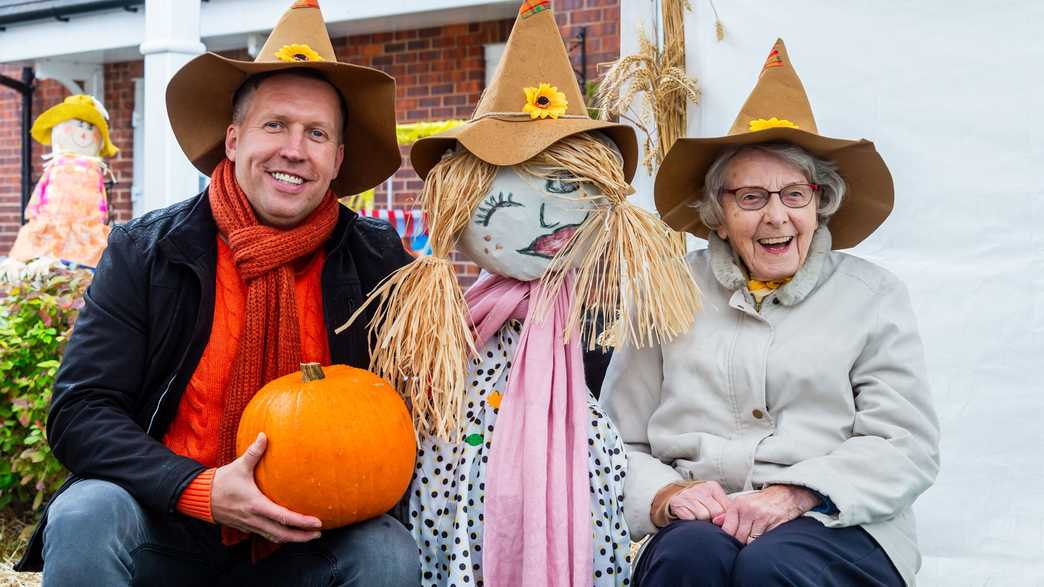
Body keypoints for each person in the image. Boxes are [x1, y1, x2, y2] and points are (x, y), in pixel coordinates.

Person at [15, 2, 419, 585]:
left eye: (317, 133)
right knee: (86, 513)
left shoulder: (377, 260)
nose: (294, 149)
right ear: (233, 140)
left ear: (337, 159)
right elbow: (81, 411)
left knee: (385, 549)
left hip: (308, 540)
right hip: (166, 523)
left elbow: (417, 404)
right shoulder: (148, 250)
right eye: (274, 125)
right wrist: (198, 489)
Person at [341, 2, 701, 584]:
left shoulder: (608, 316)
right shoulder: (444, 325)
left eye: (566, 188)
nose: (548, 217)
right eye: (514, 196)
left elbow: (615, 442)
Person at [602, 39, 940, 586]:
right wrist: (664, 494)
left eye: (795, 195)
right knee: (688, 558)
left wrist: (799, 491)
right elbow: (619, 440)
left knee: (771, 565)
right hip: (702, 515)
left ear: (820, 201)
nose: (777, 217)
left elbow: (904, 444)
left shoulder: (873, 296)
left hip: (839, 518)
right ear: (718, 213)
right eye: (752, 198)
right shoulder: (666, 290)